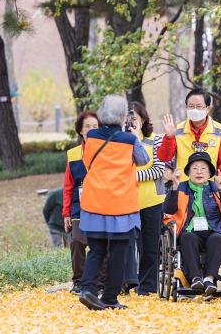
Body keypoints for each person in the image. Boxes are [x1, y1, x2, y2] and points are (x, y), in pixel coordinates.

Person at [78, 95, 149, 311]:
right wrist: (134, 135)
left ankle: (88, 289)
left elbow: (86, 161)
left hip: (95, 202)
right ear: (122, 116)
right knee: (119, 251)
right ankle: (110, 297)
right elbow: (144, 160)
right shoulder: (129, 140)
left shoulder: (91, 137)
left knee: (96, 249)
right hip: (120, 204)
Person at [163, 152, 221, 298]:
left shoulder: (216, 187)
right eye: (195, 168)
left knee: (217, 238)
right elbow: (168, 210)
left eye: (203, 169)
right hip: (190, 230)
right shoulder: (182, 187)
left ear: (209, 173)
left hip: (213, 229)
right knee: (187, 237)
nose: (199, 172)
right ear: (188, 172)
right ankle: (196, 278)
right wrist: (175, 188)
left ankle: (209, 279)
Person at [158, 88, 221, 188]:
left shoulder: (219, 131)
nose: (194, 110)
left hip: (209, 190)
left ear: (208, 108)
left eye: (199, 106)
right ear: (186, 107)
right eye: (191, 106)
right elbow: (164, 157)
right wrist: (169, 137)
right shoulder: (177, 130)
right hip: (182, 187)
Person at [62, 111, 100, 294]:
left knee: (102, 242)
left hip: (102, 206)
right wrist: (66, 213)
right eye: (87, 126)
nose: (91, 130)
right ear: (80, 130)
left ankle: (100, 281)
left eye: (95, 126)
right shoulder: (73, 154)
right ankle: (79, 281)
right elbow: (68, 186)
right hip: (80, 207)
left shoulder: (106, 151)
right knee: (77, 240)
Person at [131, 102, 166, 296]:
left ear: (143, 119)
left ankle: (147, 285)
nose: (132, 122)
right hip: (126, 202)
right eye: (128, 119)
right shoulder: (120, 141)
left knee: (149, 246)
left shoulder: (156, 140)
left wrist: (132, 176)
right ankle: (127, 282)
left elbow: (158, 170)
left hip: (152, 200)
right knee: (127, 246)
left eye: (135, 118)